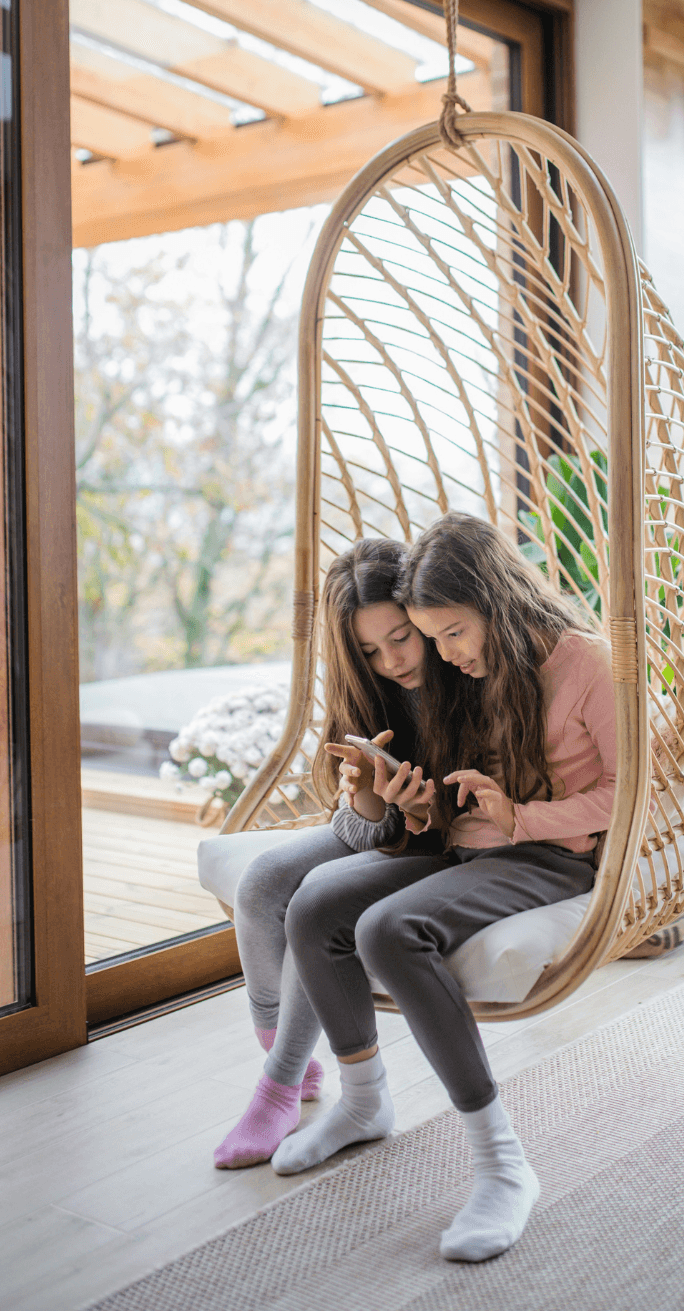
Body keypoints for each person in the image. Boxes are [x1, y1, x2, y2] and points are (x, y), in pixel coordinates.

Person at [271, 512, 616, 1264]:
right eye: (433, 638)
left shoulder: (583, 664)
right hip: (468, 846)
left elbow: (630, 795)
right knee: (314, 905)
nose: (439, 654)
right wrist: (421, 809)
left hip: (547, 855)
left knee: (387, 931)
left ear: (494, 602)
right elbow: (463, 799)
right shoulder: (477, 671)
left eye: (449, 633)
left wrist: (522, 815)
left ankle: (502, 1164)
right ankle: (363, 1103)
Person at [213, 537, 430, 1169]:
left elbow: (442, 829)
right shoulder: (368, 692)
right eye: (368, 650)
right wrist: (365, 797)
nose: (390, 661)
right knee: (261, 884)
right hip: (387, 829)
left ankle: (276, 1088)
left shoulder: (458, 664)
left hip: (442, 840)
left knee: (318, 902)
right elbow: (361, 830)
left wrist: (410, 810)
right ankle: (290, 1057)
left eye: (400, 637)